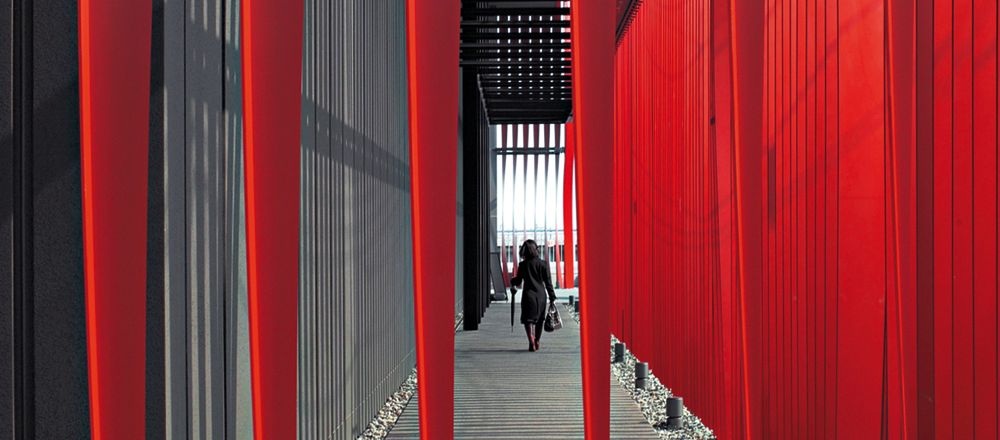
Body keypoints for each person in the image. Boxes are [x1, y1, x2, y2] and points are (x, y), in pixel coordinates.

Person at [510, 239, 557, 352]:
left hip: (528, 295)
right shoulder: (543, 264)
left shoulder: (523, 265)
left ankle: (531, 338)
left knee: (528, 319)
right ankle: (537, 341)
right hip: (541, 295)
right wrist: (552, 297)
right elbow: (548, 282)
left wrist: (512, 281)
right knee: (540, 319)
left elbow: (518, 281)